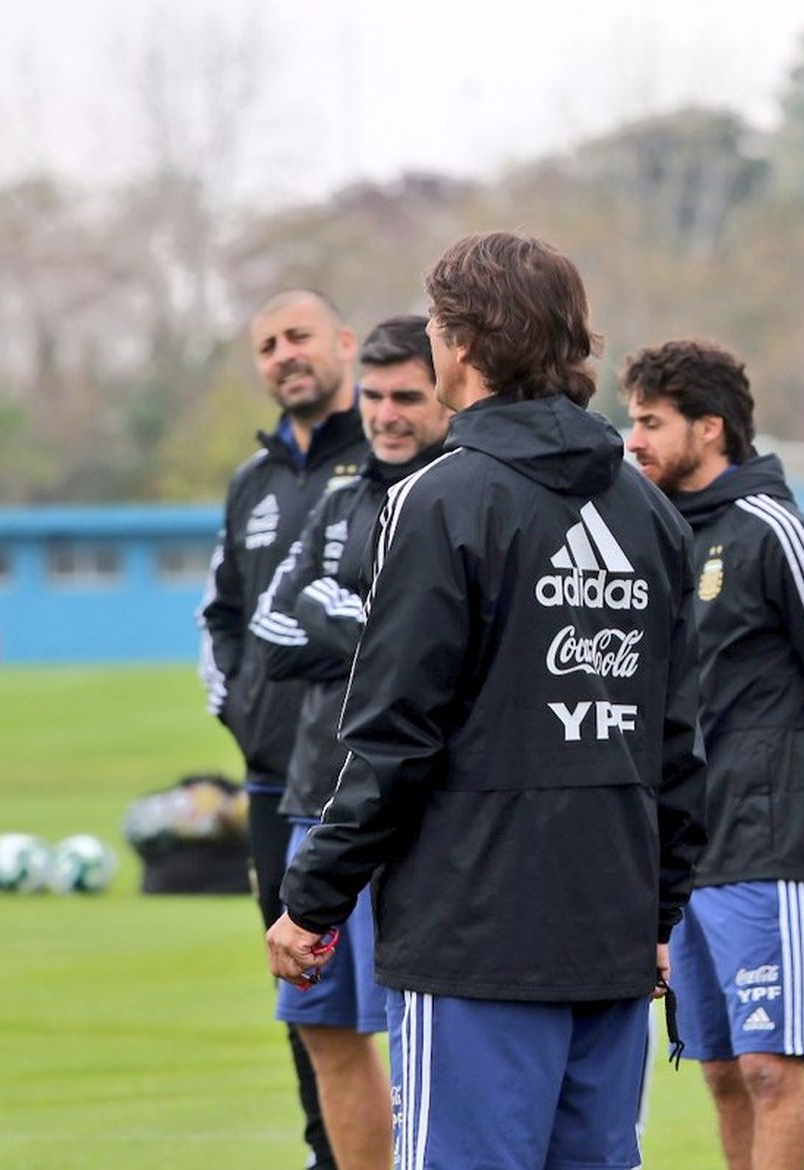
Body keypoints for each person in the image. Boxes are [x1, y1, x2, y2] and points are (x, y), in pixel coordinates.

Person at [266, 231, 707, 1170]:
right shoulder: (650, 514)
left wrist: (312, 899)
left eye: (434, 326)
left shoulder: (439, 500)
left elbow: (394, 735)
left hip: (475, 937)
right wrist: (658, 916)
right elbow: (679, 748)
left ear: (461, 346)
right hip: (610, 932)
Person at [623, 340, 804, 1170]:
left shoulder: (777, 531)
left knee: (770, 1068)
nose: (633, 439)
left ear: (710, 428)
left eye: (650, 422)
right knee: (717, 1070)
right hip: (680, 851)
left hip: (763, 841)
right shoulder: (653, 534)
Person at [250, 315, 454, 1170]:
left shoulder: (458, 498)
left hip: (408, 813)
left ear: (447, 393)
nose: (386, 414)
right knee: (325, 1029)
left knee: (413, 1029)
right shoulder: (341, 496)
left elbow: (436, 651)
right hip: (311, 796)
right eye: (373, 396)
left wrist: (337, 617)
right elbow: (269, 627)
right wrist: (373, 634)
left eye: (408, 396)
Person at [198, 288, 368, 1170]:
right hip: (276, 780)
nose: (284, 355)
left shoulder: (389, 457)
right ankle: (325, 1153)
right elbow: (219, 617)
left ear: (343, 341)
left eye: (298, 335)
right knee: (306, 989)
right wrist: (244, 718)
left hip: (376, 775)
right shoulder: (252, 481)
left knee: (402, 990)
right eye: (266, 345)